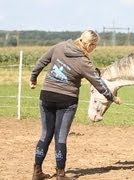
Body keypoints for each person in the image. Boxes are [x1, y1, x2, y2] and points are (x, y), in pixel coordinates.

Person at [30, 30, 120, 180]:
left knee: (45, 134)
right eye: (94, 46)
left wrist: (33, 78)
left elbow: (41, 62)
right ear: (90, 44)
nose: (94, 49)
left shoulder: (60, 46)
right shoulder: (84, 62)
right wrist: (112, 97)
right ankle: (60, 174)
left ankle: (37, 171)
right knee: (60, 137)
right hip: (67, 100)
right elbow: (98, 83)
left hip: (46, 95)